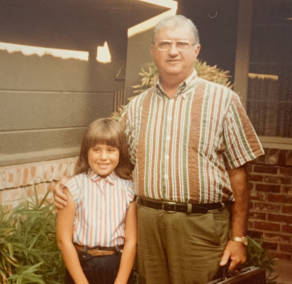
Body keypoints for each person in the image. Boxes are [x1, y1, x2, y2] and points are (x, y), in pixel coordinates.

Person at [54, 15, 264, 284]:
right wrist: (66, 184)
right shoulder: (137, 107)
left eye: (181, 44)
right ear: (153, 51)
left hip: (199, 227)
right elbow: (105, 152)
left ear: (196, 50)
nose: (173, 51)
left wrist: (238, 237)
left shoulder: (223, 101)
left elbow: (239, 174)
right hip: (148, 224)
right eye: (164, 44)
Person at [56, 118, 137, 284]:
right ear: (86, 151)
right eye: (96, 149)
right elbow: (63, 240)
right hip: (81, 267)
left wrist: (121, 281)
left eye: (111, 150)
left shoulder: (129, 190)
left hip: (116, 266)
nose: (103, 157)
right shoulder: (73, 188)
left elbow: (131, 241)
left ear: (120, 152)